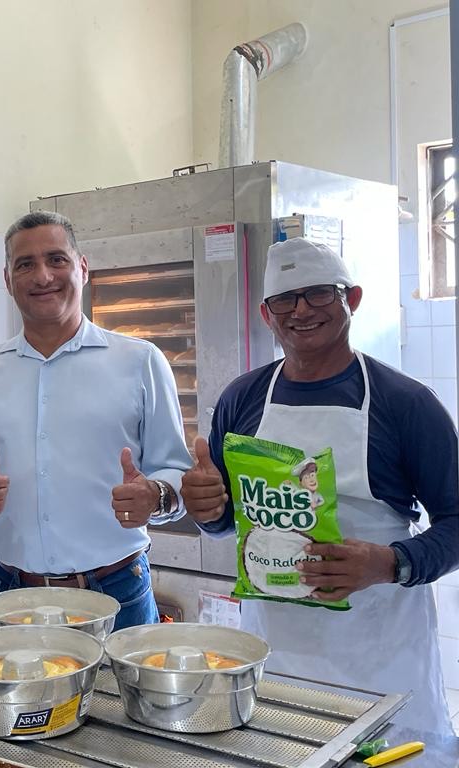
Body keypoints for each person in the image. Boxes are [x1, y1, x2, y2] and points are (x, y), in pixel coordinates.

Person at [179, 237, 458, 737]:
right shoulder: (242, 399)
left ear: (350, 299)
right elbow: (226, 522)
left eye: (319, 294)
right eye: (285, 299)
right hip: (276, 651)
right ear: (268, 314)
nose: (301, 310)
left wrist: (390, 562)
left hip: (379, 651)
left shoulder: (406, 404)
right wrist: (206, 509)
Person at [0, 210, 193, 628]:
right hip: (13, 595)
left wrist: (157, 495)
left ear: (83, 268)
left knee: (124, 697)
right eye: (25, 264)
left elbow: (176, 470)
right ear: (8, 280)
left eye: (56, 259)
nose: (42, 276)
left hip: (118, 592)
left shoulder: (140, 361)